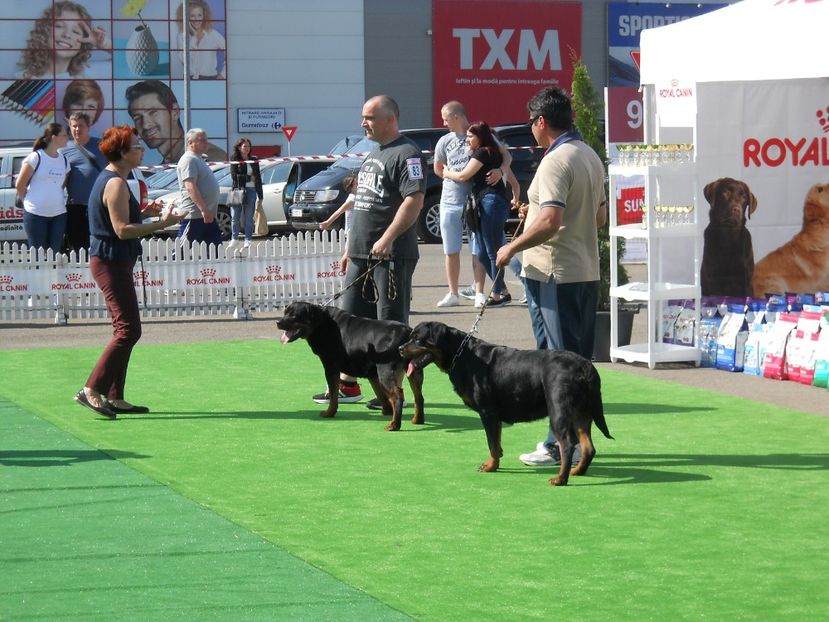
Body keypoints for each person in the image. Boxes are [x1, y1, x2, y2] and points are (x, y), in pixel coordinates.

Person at [495, 86, 607, 467]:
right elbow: (599, 217)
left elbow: (551, 221)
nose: (530, 128)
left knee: (560, 366)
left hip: (555, 273)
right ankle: (563, 440)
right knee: (568, 362)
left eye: (531, 122)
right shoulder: (589, 154)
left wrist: (512, 247)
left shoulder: (555, 161)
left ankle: (561, 444)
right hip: (583, 270)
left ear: (541, 122)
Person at [312, 95, 426, 406]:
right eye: (363, 117)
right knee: (348, 323)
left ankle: (393, 392)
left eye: (370, 118)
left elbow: (413, 201)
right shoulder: (374, 153)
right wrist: (351, 248)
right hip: (362, 254)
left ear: (390, 119)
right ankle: (349, 384)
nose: (364, 123)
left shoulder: (407, 154)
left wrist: (389, 237)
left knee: (389, 328)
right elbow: (362, 206)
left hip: (390, 256)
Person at [74, 125, 185, 419]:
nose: (142, 149)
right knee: (128, 330)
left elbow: (119, 218)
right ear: (122, 153)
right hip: (111, 262)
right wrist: (163, 223)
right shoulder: (116, 183)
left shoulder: (117, 179)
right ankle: (90, 389)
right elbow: (122, 230)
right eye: (136, 146)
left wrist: (146, 212)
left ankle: (115, 397)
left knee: (124, 330)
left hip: (114, 261)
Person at [433, 101, 519, 308]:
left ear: (457, 116)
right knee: (451, 249)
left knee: (478, 249)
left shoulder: (479, 135)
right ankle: (453, 293)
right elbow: (438, 168)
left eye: (445, 118)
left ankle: (480, 291)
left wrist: (501, 170)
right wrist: (446, 173)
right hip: (450, 200)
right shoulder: (444, 141)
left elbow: (506, 155)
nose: (443, 122)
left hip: (474, 203)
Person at [126, 79, 227, 165]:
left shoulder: (210, 158)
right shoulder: (164, 167)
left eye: (153, 112)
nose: (145, 125)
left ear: (175, 112)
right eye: (137, 118)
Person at [17, 1, 111, 79]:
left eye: (75, 31)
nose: (66, 34)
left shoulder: (86, 75)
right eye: (59, 26)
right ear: (45, 32)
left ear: (82, 45)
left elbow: (124, 62)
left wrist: (106, 45)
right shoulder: (21, 78)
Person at [15, 123, 71, 254]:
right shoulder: (36, 157)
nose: (67, 138)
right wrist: (27, 202)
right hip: (35, 214)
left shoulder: (64, 160)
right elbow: (20, 184)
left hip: (59, 214)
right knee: (38, 255)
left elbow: (61, 185)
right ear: (54, 137)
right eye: (64, 135)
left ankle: (53, 275)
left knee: (55, 253)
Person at [60, 111, 107, 253]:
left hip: (99, 205)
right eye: (74, 126)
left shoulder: (102, 146)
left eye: (81, 126)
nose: (77, 129)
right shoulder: (64, 151)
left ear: (88, 127)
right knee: (78, 248)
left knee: (99, 246)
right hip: (75, 207)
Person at [175, 128, 223, 247]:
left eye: (206, 140)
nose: (206, 143)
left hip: (208, 215)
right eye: (201, 140)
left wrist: (207, 211)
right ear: (190, 142)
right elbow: (190, 186)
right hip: (194, 215)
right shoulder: (188, 159)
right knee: (182, 251)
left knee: (216, 251)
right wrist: (203, 209)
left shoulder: (198, 158)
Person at [175, 0, 226, 79]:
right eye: (192, 15)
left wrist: (223, 75)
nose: (196, 19)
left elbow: (230, 53)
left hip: (210, 79)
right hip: (189, 79)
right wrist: (194, 37)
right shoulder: (181, 35)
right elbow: (184, 60)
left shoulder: (212, 34)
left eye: (199, 15)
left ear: (204, 16)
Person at [227, 137, 263, 251]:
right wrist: (248, 177)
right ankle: (235, 238)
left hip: (251, 191)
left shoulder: (254, 159)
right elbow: (234, 176)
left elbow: (257, 178)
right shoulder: (234, 159)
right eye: (244, 146)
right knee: (235, 216)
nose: (247, 148)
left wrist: (260, 195)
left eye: (248, 146)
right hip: (238, 190)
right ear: (239, 147)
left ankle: (248, 239)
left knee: (248, 217)